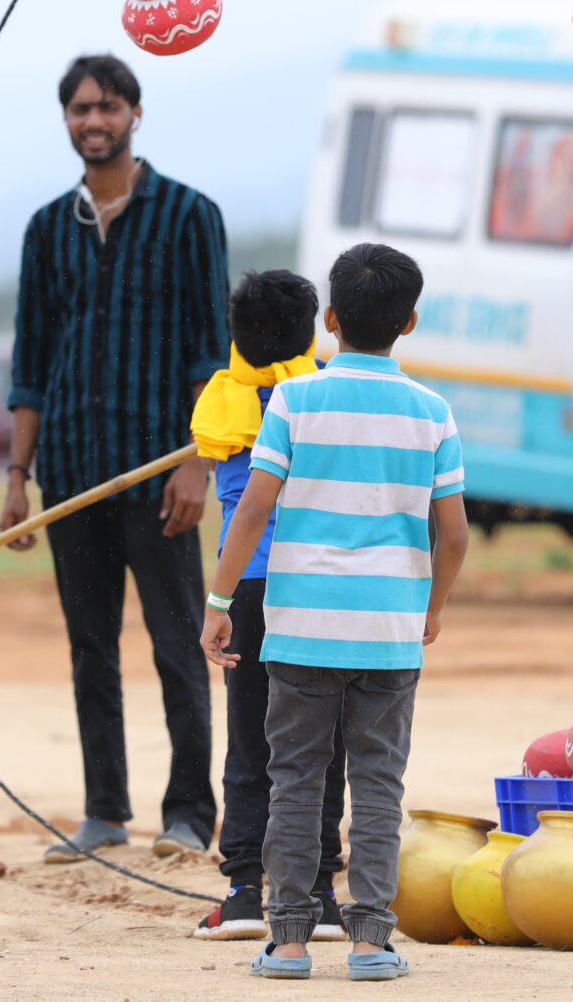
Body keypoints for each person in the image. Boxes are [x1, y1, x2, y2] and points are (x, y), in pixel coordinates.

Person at [200, 242, 472, 981]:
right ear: (409, 321)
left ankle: (288, 941)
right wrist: (433, 607)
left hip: (301, 626)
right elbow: (453, 534)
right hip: (389, 629)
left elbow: (253, 509)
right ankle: (371, 942)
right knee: (378, 783)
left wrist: (220, 601)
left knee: (294, 778)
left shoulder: (294, 400)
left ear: (330, 319)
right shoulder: (433, 412)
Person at [4, 52, 229, 864]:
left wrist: (198, 462)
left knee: (178, 645)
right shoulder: (46, 229)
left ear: (135, 112)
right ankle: (103, 813)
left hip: (161, 469)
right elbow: (31, 360)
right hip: (70, 469)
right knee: (90, 649)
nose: (93, 120)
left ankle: (189, 815)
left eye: (106, 106)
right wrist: (17, 478)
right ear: (67, 119)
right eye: (79, 108)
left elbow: (212, 351)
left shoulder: (190, 214)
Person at [187, 270, 347, 941]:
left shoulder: (220, 398)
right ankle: (320, 893)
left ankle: (245, 892)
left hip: (248, 586)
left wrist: (216, 600)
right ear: (311, 332)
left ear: (236, 335)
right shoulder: (327, 391)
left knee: (251, 740)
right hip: (318, 581)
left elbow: (246, 506)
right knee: (323, 739)